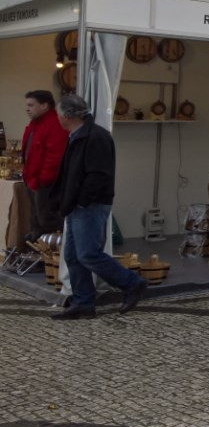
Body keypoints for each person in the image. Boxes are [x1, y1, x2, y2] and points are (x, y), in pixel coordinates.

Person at [47, 94, 146, 319]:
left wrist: (82, 200)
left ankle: (132, 283)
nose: (58, 118)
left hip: (89, 205)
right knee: (72, 255)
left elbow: (98, 175)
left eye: (58, 114)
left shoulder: (96, 137)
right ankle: (83, 302)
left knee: (88, 254)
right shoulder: (77, 135)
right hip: (76, 205)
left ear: (67, 115)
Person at [20, 90, 69, 242]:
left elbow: (55, 155)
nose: (27, 108)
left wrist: (44, 179)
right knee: (37, 220)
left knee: (48, 220)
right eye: (27, 105)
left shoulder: (54, 124)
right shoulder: (35, 124)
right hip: (34, 180)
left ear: (44, 105)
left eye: (31, 105)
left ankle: (52, 256)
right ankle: (38, 252)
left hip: (45, 183)